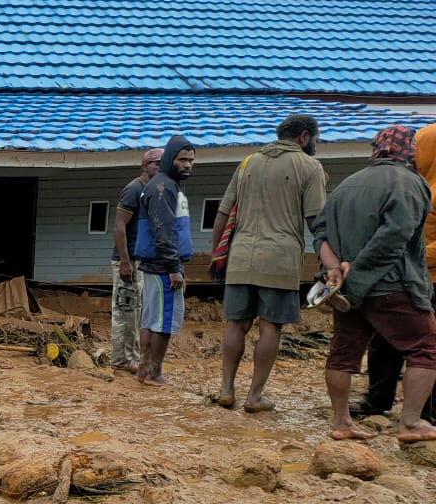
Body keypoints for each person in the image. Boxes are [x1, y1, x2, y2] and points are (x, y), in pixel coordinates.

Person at [312, 125, 436, 442]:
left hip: (346, 293)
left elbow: (320, 233)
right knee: (426, 349)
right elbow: (393, 239)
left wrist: (335, 272)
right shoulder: (411, 183)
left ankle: (342, 423)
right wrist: (358, 276)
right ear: (409, 150)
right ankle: (410, 423)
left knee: (343, 355)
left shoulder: (347, 185)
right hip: (395, 287)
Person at [212, 115, 326, 412]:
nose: (317, 144)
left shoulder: (248, 162)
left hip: (240, 257)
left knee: (236, 325)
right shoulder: (309, 166)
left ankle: (226, 390)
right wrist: (331, 256)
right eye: (316, 139)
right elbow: (316, 220)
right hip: (280, 259)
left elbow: (223, 215)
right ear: (304, 137)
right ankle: (254, 396)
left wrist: (217, 255)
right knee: (270, 328)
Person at [351, 122, 436, 421]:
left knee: (427, 345)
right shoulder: (411, 183)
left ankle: (426, 412)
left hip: (424, 275)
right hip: (404, 276)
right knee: (385, 339)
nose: (412, 156)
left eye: (418, 150)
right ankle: (378, 399)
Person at [133, 135, 195, 386]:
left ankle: (144, 371)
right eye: (183, 160)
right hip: (163, 268)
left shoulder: (166, 185)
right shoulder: (163, 187)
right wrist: (173, 269)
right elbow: (163, 231)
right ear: (170, 159)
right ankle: (154, 373)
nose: (188, 165)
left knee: (151, 320)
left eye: (191, 160)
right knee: (163, 322)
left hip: (156, 266)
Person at [110, 148, 164, 374]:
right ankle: (122, 360)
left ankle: (130, 357)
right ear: (146, 166)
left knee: (135, 311)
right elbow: (120, 225)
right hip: (128, 261)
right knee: (125, 310)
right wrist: (125, 261)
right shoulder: (134, 190)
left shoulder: (151, 191)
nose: (162, 168)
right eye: (158, 164)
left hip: (141, 261)